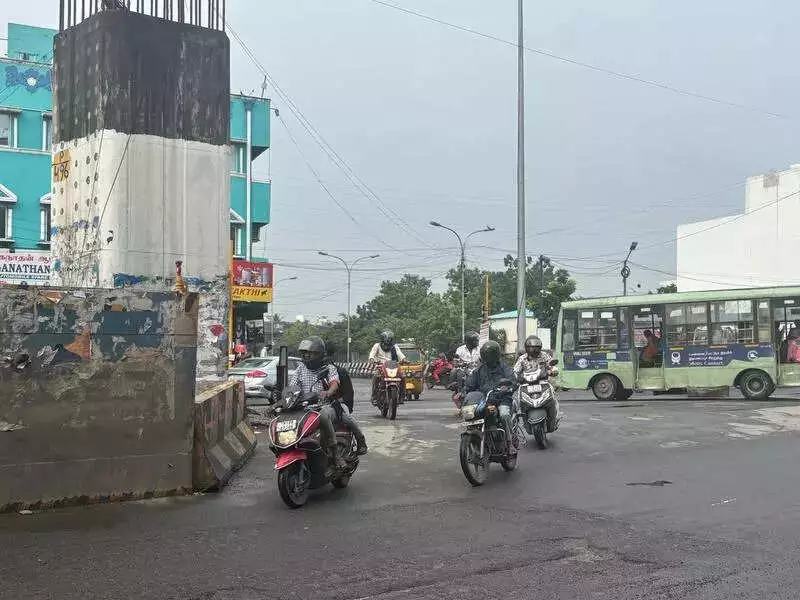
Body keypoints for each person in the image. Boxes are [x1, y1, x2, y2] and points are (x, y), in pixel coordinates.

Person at [289, 336, 346, 469]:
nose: (306, 356)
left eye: (310, 353)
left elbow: (334, 383)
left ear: (319, 354)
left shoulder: (329, 368)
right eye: (304, 353)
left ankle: (335, 453)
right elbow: (292, 386)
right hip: (304, 407)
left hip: (324, 406)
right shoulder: (300, 369)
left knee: (323, 416)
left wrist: (328, 392)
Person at [465, 340, 516, 454]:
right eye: (486, 354)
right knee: (472, 415)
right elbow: (470, 385)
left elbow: (512, 380)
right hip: (485, 400)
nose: (488, 357)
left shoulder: (504, 367)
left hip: (502, 399)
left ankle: (509, 442)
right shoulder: (479, 370)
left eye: (490, 355)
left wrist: (507, 387)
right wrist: (464, 392)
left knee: (504, 414)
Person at [323, 342, 368, 455]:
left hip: (338, 404)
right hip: (318, 406)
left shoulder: (340, 372)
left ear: (331, 356)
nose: (323, 359)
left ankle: (361, 440)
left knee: (347, 418)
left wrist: (336, 401)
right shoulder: (311, 373)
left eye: (325, 355)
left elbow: (348, 394)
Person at [513, 335, 560, 423]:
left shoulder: (544, 355)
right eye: (531, 348)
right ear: (527, 348)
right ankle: (522, 419)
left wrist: (553, 371)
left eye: (536, 348)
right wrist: (515, 377)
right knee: (517, 401)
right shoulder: (522, 358)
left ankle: (554, 416)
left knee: (553, 396)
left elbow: (552, 366)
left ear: (540, 347)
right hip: (526, 383)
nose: (534, 350)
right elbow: (515, 371)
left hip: (542, 382)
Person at [368, 331, 406, 402]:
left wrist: (404, 359)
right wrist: (372, 359)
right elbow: (372, 354)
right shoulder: (377, 346)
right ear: (382, 339)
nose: (388, 342)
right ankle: (374, 396)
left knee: (403, 376)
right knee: (376, 376)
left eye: (389, 339)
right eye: (386, 339)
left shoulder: (394, 346)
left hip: (393, 366)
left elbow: (400, 354)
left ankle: (402, 396)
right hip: (380, 366)